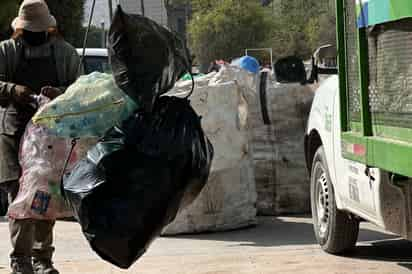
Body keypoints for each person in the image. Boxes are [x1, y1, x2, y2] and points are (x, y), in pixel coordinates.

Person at [0, 0, 80, 273]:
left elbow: (79, 89)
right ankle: (20, 260)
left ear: (49, 29)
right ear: (21, 29)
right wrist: (12, 90)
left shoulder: (66, 54)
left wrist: (60, 93)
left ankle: (42, 259)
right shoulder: (6, 51)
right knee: (20, 198)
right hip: (14, 135)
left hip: (50, 140)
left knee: (44, 198)